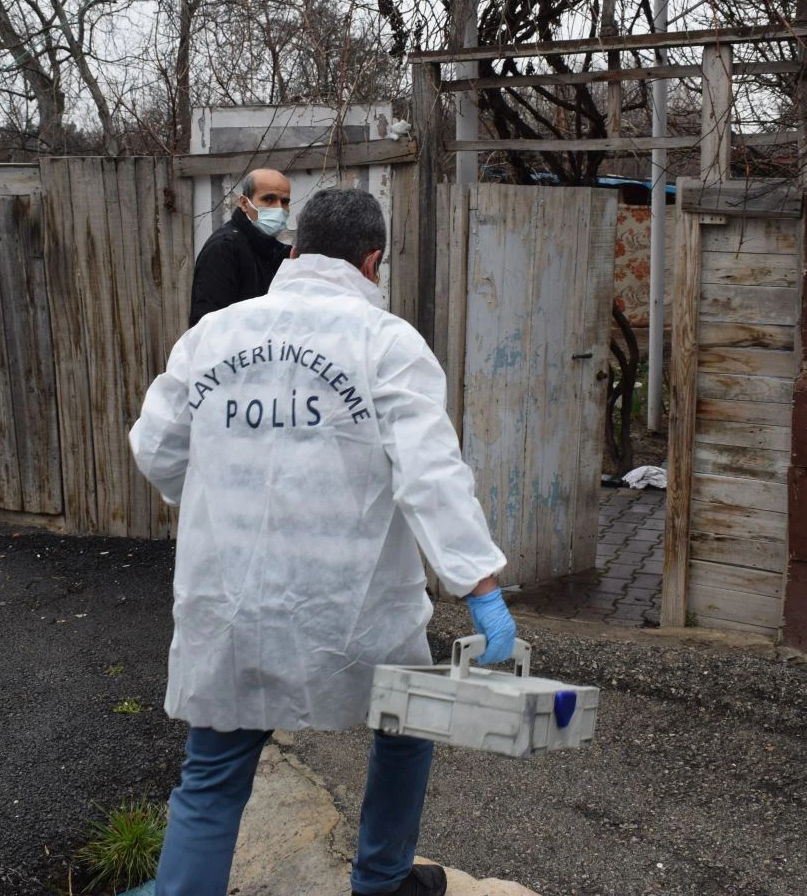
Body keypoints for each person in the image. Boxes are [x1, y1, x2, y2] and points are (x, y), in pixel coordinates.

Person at [130, 187, 517, 896]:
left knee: (212, 773)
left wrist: (223, 494)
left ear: (295, 251)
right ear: (373, 262)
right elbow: (431, 474)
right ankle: (382, 879)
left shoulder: (212, 337)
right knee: (406, 718)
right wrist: (480, 586)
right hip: (352, 607)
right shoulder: (386, 344)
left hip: (232, 599)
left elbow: (156, 449)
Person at [187, 168, 293, 327]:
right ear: (244, 203)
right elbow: (208, 325)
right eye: (268, 199)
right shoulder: (224, 249)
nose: (278, 208)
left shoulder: (276, 248)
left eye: (284, 202)